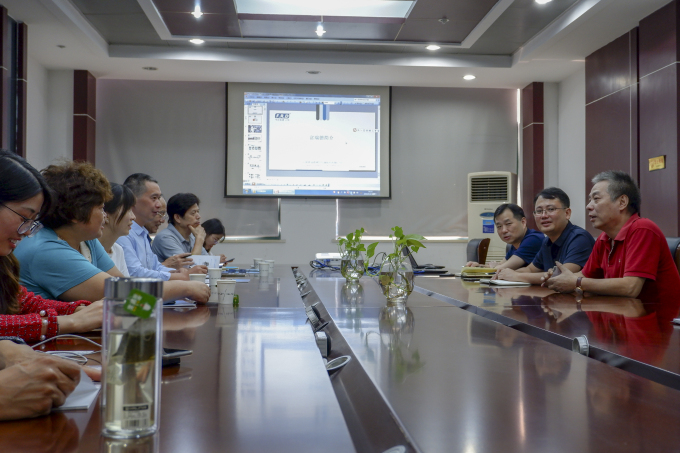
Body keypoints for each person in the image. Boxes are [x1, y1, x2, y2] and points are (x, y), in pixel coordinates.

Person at [15, 164, 208, 304]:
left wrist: (148, 312)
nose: (105, 216)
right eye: (100, 208)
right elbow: (120, 295)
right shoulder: (48, 250)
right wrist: (184, 288)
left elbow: (123, 285)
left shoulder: (86, 240)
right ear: (76, 213)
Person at [546, 170, 680, 301]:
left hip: (658, 314)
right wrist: (560, 279)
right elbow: (584, 275)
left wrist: (577, 282)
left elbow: (630, 287)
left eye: (596, 199)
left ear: (622, 202)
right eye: (590, 200)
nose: (588, 206)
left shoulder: (643, 229)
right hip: (620, 312)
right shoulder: (603, 238)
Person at [495, 187, 595, 285]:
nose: (544, 216)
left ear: (567, 213)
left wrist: (517, 276)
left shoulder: (579, 238)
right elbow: (530, 269)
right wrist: (505, 274)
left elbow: (562, 275)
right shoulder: (547, 242)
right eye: (539, 211)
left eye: (551, 209)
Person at [118, 174, 206, 280]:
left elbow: (155, 267)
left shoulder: (142, 233)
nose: (159, 204)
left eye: (159, 198)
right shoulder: (123, 233)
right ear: (133, 200)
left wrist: (176, 272)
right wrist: (181, 276)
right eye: (154, 198)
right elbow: (134, 273)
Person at [466, 203, 543, 271]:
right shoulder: (516, 244)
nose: (504, 230)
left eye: (508, 224)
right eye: (499, 226)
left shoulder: (533, 239)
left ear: (523, 222)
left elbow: (501, 268)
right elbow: (500, 265)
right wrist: (478, 266)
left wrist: (482, 269)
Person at [151, 193, 209, 261]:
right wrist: (199, 240)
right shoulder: (165, 238)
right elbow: (189, 265)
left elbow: (208, 262)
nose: (198, 216)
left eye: (198, 212)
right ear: (178, 218)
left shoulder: (192, 236)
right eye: (193, 213)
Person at [99, 183, 136, 277]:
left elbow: (125, 284)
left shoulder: (118, 250)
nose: (133, 217)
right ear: (106, 214)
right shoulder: (86, 249)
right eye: (128, 210)